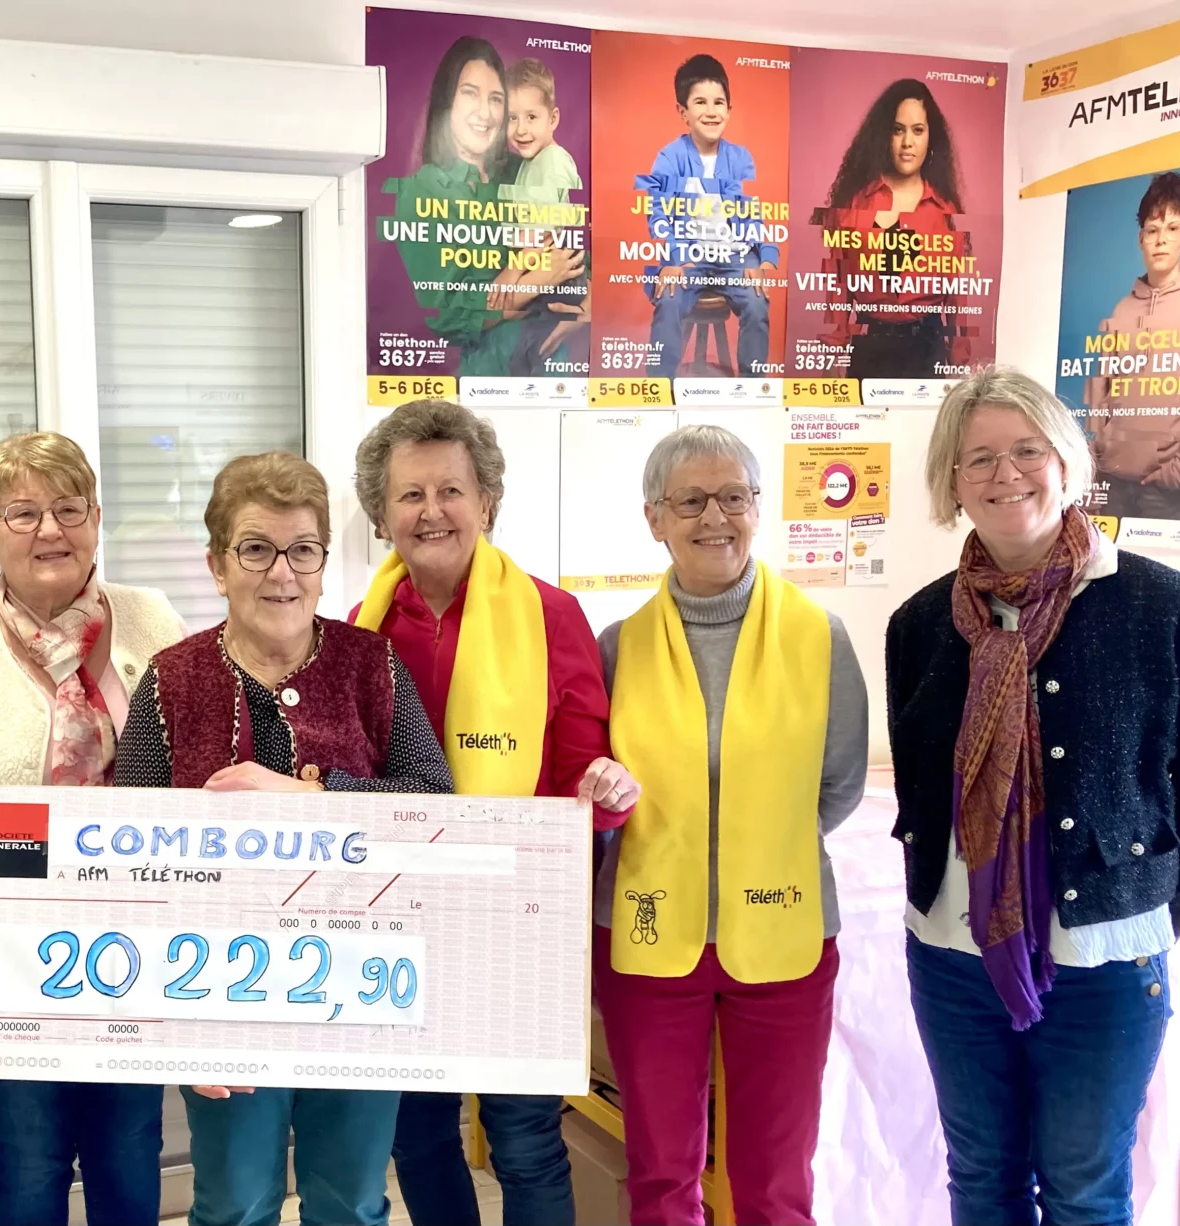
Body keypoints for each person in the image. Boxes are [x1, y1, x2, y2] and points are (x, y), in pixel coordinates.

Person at [887, 366, 1180, 1225]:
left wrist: (1140, 909)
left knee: (1085, 1191)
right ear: (952, 481)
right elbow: (921, 784)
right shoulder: (921, 623)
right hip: (951, 957)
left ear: (1067, 460)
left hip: (1105, 965)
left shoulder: (1166, 608)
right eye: (979, 458)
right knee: (982, 1180)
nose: (1006, 474)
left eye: (1027, 450)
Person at [116, 451, 454, 1226]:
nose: (282, 573)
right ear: (217, 565)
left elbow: (434, 804)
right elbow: (131, 860)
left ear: (323, 564)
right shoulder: (170, 681)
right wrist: (173, 1022)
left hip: (361, 985)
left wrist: (314, 793)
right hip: (219, 994)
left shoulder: (373, 666)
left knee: (350, 1204)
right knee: (235, 1205)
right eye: (256, 549)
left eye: (303, 550)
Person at [349, 400, 639, 1226]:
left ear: (486, 502)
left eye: (452, 490)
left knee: (523, 1139)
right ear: (381, 514)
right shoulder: (357, 633)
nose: (432, 511)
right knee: (417, 1135)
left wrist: (601, 797)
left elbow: (582, 774)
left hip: (521, 919)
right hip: (399, 920)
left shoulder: (551, 615)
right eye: (410, 494)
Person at [0, 432, 186, 1226]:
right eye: (22, 514)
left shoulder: (155, 623)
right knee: (27, 1158)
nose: (49, 530)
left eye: (68, 508)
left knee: (129, 1149)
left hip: (134, 940)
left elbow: (190, 780)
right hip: (3, 951)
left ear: (97, 519)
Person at [594, 424, 868, 1226]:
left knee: (775, 1182)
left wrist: (758, 849)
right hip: (647, 933)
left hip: (785, 933)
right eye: (690, 501)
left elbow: (838, 785)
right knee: (661, 1174)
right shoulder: (618, 647)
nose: (715, 517)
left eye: (733, 497)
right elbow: (602, 796)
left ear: (758, 507)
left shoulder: (819, 637)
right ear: (654, 518)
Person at [385, 36, 583, 377]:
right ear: (447, 99)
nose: (485, 111)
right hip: (490, 375)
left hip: (553, 367)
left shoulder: (522, 167)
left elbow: (572, 249)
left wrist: (585, 306)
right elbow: (448, 315)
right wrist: (535, 283)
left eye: (495, 99)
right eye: (470, 93)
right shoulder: (421, 190)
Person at [1083, 172, 1180, 522]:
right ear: (1141, 239)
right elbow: (1100, 394)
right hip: (1111, 482)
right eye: (1152, 230)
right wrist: (1096, 463)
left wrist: (1176, 474)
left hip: (1165, 490)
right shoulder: (1122, 309)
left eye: (1172, 228)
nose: (1161, 240)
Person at [637, 54, 777, 378]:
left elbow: (751, 213)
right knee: (669, 298)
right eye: (700, 102)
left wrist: (762, 256)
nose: (711, 111)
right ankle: (658, 386)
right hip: (689, 255)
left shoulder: (740, 157)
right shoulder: (670, 157)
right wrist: (673, 258)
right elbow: (658, 213)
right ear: (683, 112)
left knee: (757, 302)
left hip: (734, 255)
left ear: (729, 109)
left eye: (718, 102)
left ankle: (753, 386)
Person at [819, 79, 967, 380]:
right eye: (898, 130)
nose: (907, 142)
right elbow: (838, 285)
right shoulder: (855, 204)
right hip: (870, 344)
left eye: (918, 130)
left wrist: (960, 360)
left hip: (927, 347)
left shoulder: (945, 209)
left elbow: (958, 294)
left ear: (931, 137)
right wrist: (833, 354)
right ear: (884, 134)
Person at [498, 58, 589, 375]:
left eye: (531, 117)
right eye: (512, 118)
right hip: (543, 263)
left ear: (553, 119)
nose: (520, 129)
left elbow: (544, 230)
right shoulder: (533, 161)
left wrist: (513, 271)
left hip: (558, 270)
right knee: (526, 348)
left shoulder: (551, 163)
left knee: (528, 349)